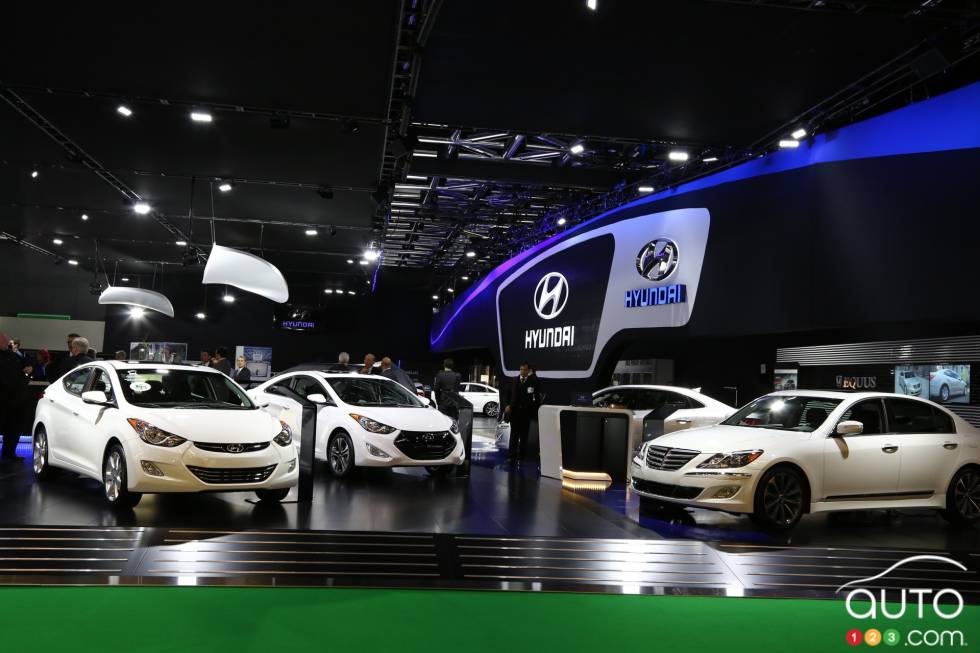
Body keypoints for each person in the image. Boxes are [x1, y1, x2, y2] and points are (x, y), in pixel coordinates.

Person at [0, 332, 31, 462]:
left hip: (15, 398)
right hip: (6, 397)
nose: (7, 343)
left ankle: (10, 452)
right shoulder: (12, 356)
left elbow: (27, 366)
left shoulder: (14, 356)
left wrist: (28, 370)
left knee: (14, 427)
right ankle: (9, 452)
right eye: (4, 341)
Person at [504, 362, 542, 466]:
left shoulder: (533, 381)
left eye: (524, 369)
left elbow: (537, 397)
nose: (522, 371)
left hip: (526, 413)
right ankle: (511, 456)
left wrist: (534, 408)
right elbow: (507, 394)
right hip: (515, 413)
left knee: (524, 436)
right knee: (514, 435)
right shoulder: (514, 380)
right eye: (521, 369)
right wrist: (507, 405)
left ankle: (521, 456)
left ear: (528, 370)